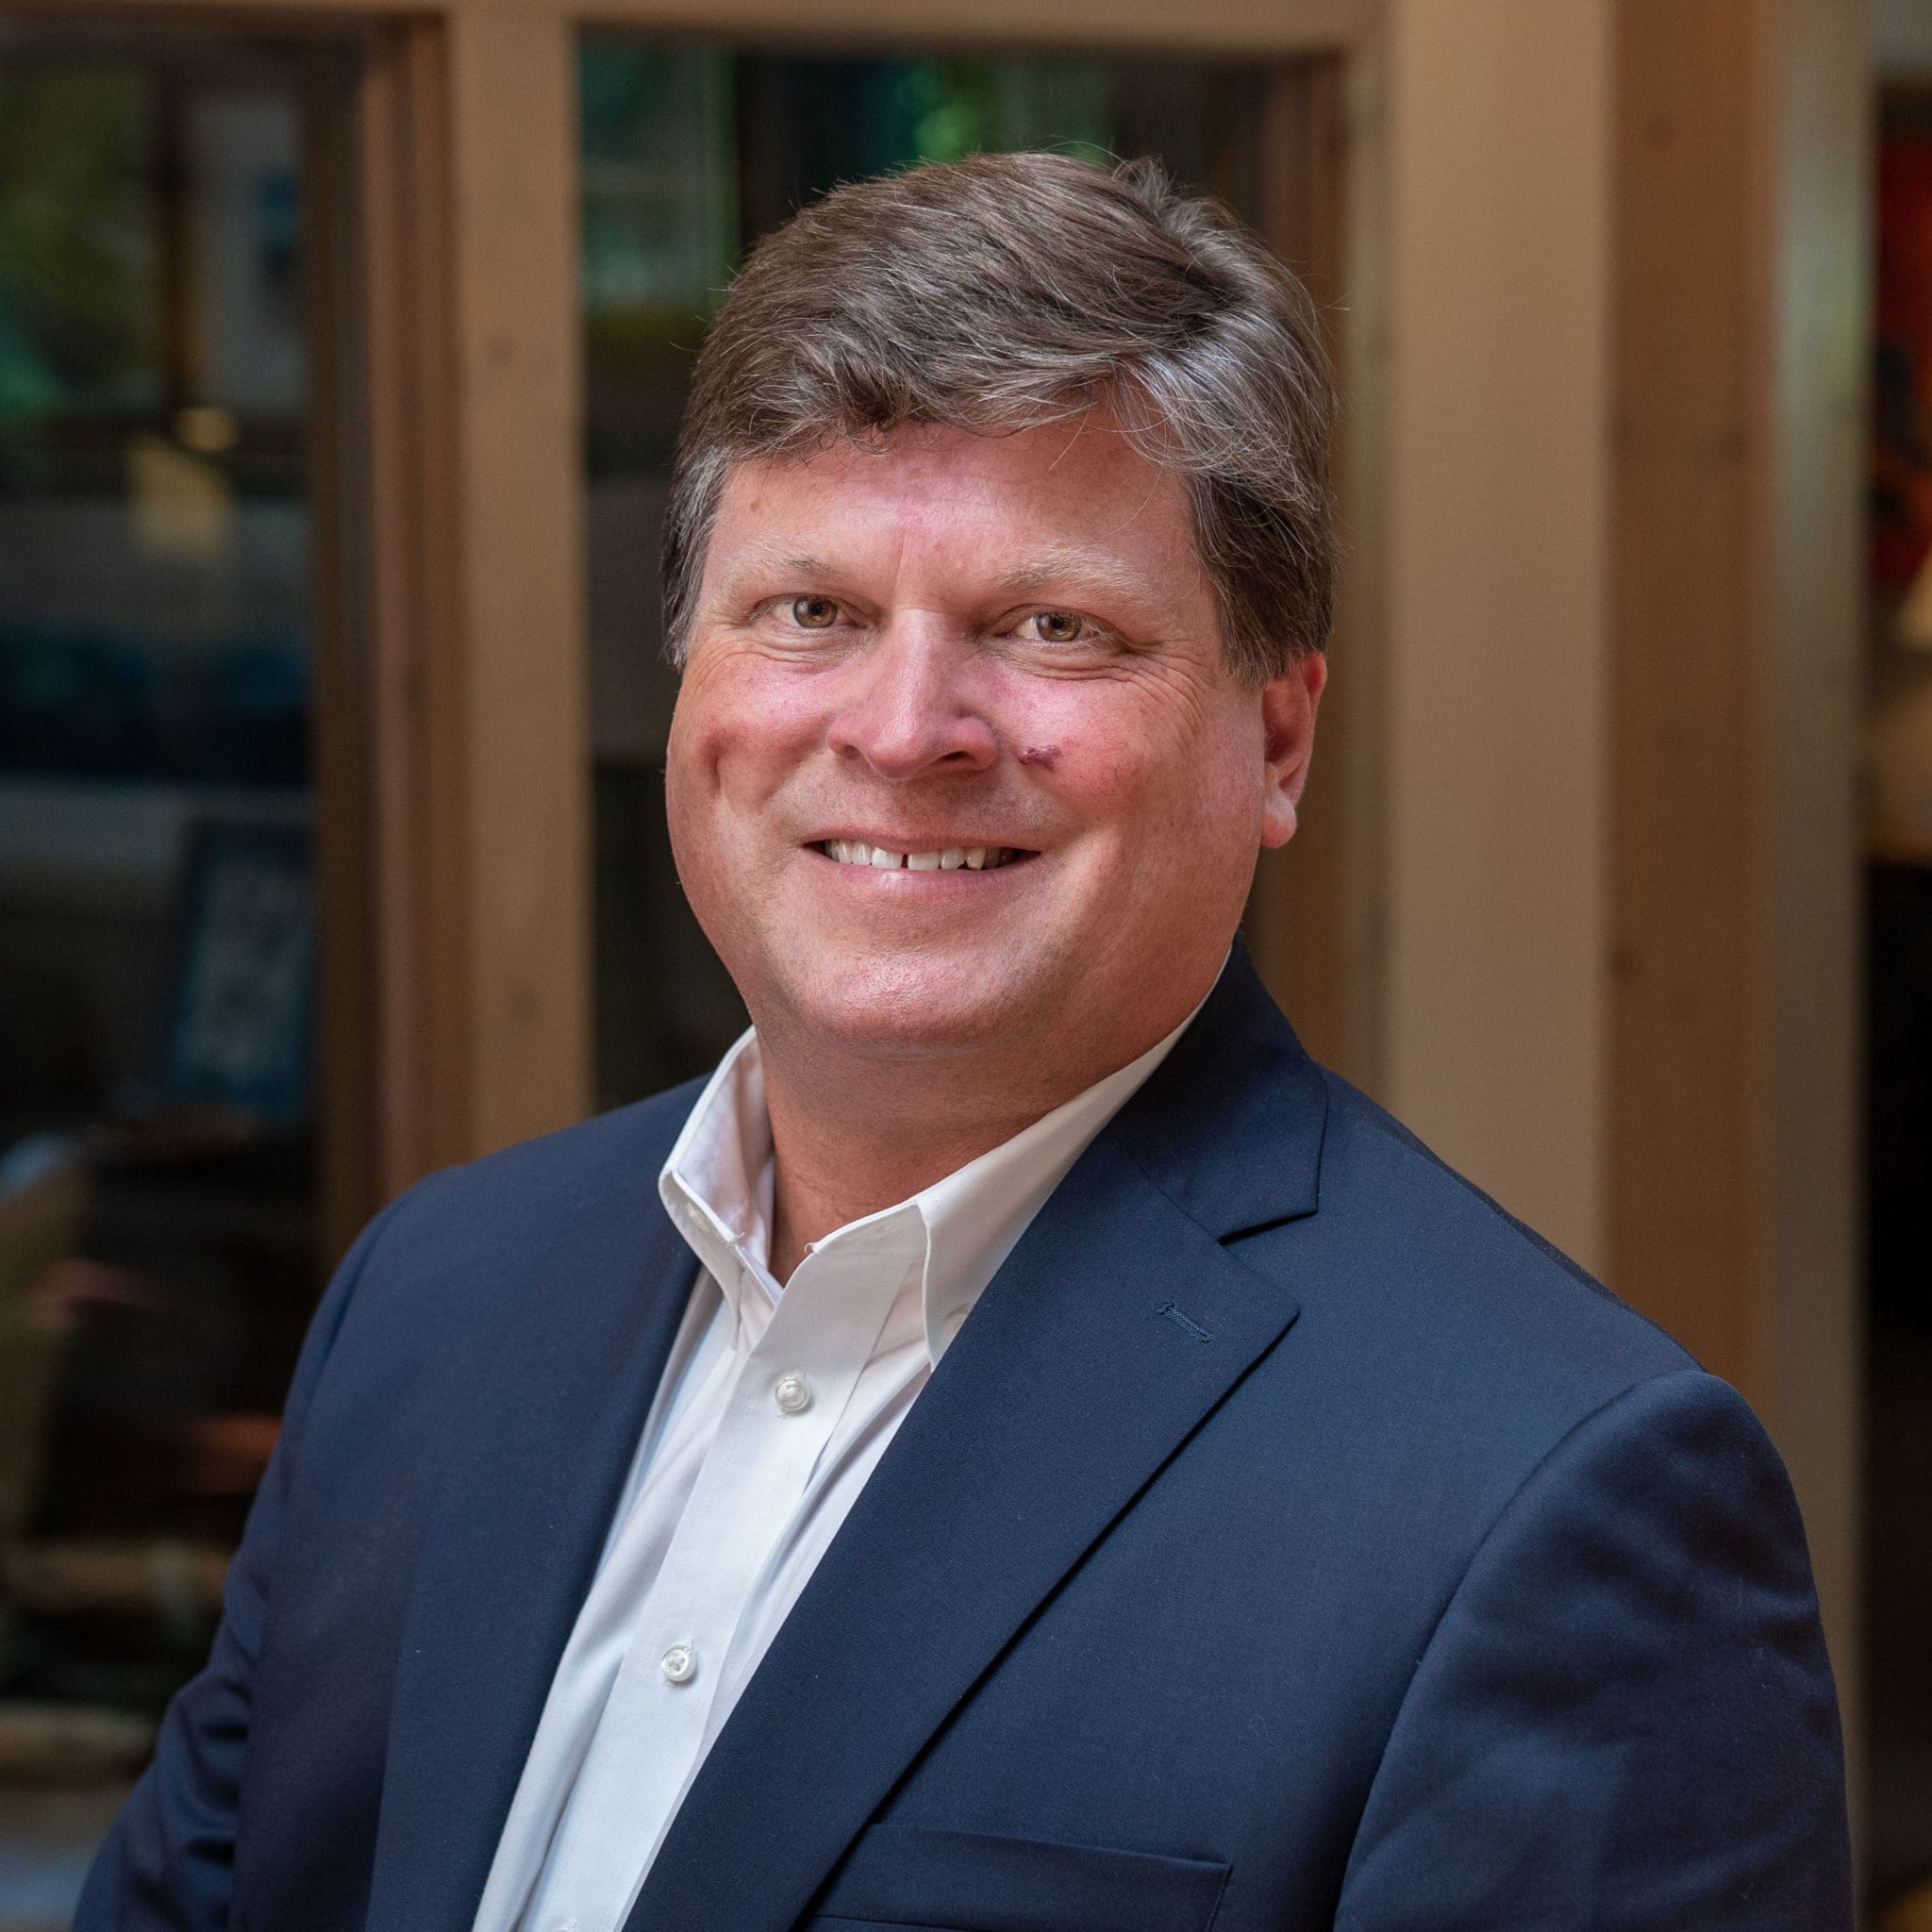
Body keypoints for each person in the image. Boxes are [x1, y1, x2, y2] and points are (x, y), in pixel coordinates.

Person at [79, 152, 1850, 1932]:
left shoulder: (1554, 1504)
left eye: (1050, 628)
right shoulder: (435, 1299)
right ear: (691, 669)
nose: (908, 727)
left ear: (1281, 737)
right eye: (811, 613)